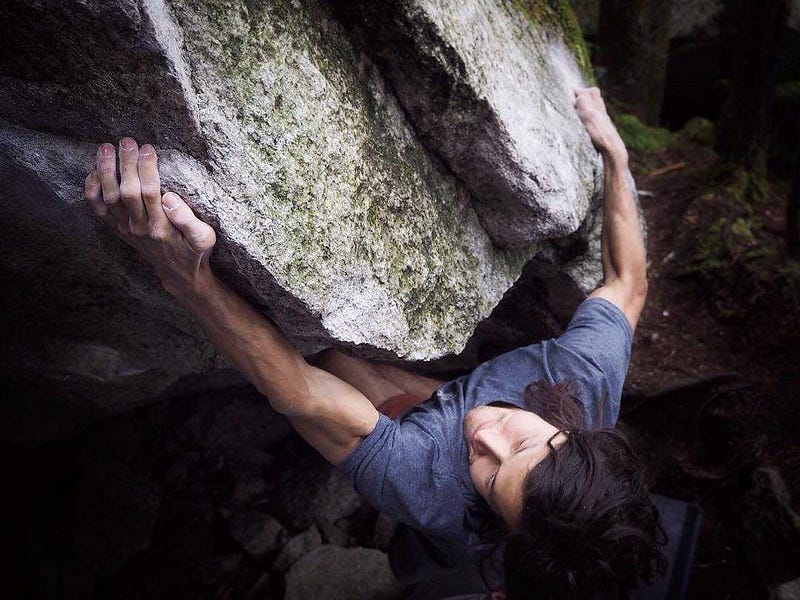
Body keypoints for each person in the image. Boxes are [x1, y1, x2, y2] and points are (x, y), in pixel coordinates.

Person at [84, 87, 666, 598]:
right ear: (572, 430)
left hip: (444, 539)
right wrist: (615, 154)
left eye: (490, 476)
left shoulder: (428, 487)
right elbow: (628, 282)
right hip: (457, 421)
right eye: (518, 446)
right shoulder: (585, 376)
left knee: (334, 363)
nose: (483, 437)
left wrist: (188, 279)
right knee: (416, 396)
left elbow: (303, 393)